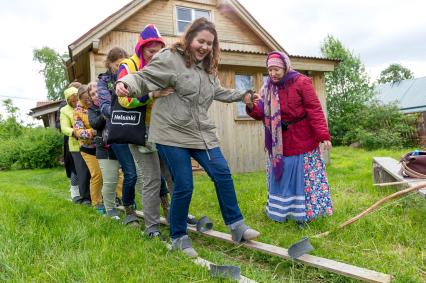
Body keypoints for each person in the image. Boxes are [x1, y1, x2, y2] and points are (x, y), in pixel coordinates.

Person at [116, 18, 260, 257]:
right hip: (170, 133)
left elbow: (218, 91)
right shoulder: (169, 58)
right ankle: (178, 236)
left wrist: (242, 96)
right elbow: (143, 77)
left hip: (200, 131)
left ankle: (237, 226)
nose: (204, 47)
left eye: (209, 43)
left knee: (222, 173)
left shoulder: (206, 67)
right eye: (201, 41)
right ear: (190, 38)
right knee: (184, 183)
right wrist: (124, 83)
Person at [246, 51, 333, 227]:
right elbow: (261, 112)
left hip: (302, 138)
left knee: (302, 178)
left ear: (285, 67)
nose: (272, 73)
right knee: (281, 177)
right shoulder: (267, 87)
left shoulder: (301, 82)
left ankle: (305, 215)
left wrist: (323, 135)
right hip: (278, 142)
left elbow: (314, 109)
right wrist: (250, 105)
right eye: (270, 70)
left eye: (276, 69)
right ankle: (281, 212)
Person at [116, 23, 170, 237]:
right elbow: (123, 100)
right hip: (140, 130)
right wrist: (151, 95)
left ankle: (176, 217)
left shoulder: (163, 65)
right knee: (151, 178)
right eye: (150, 51)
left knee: (172, 174)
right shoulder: (128, 66)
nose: (155, 55)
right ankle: (152, 227)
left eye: (159, 51)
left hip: (165, 128)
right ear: (141, 49)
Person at [88, 79, 123, 219]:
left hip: (120, 145)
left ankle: (125, 202)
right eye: (93, 93)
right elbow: (95, 124)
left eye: (98, 91)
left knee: (126, 176)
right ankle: (110, 209)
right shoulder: (92, 109)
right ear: (90, 97)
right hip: (104, 148)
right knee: (109, 179)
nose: (96, 95)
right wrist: (105, 111)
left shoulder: (114, 101)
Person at [74, 84, 104, 214]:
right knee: (97, 175)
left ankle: (119, 198)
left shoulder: (97, 106)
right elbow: (78, 132)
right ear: (80, 99)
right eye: (84, 99)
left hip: (102, 146)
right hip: (87, 149)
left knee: (116, 174)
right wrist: (94, 131)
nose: (87, 100)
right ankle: (97, 203)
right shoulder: (78, 112)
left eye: (88, 98)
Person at [60, 85, 91, 205]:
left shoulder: (85, 105)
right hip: (75, 145)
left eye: (75, 100)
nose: (74, 103)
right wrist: (75, 132)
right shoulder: (64, 111)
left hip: (89, 142)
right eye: (71, 101)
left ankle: (96, 196)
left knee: (93, 171)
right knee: (81, 172)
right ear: (67, 101)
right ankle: (85, 198)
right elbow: (64, 128)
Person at [58, 82, 82, 202]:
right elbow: (61, 125)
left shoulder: (84, 104)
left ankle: (84, 192)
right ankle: (75, 192)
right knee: (74, 167)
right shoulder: (63, 108)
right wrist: (73, 131)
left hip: (85, 141)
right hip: (70, 141)